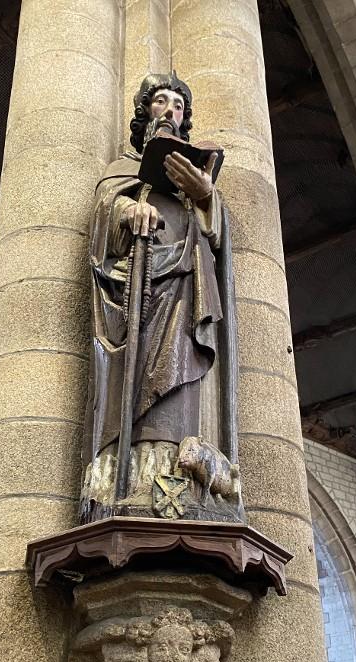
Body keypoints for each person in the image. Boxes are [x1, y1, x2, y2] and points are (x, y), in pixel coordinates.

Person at [81, 73, 242, 523]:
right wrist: (127, 209)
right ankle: (127, 474)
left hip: (186, 291)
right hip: (137, 290)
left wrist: (206, 196)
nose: (170, 110)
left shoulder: (194, 178)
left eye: (178, 105)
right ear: (145, 112)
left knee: (182, 373)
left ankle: (177, 471)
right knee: (134, 379)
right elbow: (103, 215)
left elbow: (219, 240)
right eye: (161, 102)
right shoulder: (123, 170)